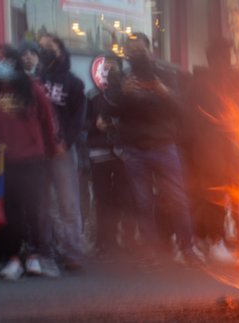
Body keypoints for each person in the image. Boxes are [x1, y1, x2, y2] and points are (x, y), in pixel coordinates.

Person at [107, 33, 204, 267]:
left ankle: (187, 248)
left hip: (164, 147)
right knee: (142, 203)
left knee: (178, 199)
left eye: (141, 50)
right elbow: (111, 109)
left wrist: (165, 93)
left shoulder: (167, 76)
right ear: (126, 54)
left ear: (150, 51)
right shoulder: (120, 79)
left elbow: (182, 109)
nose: (137, 55)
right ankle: (151, 251)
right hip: (134, 149)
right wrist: (123, 94)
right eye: (132, 51)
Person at [0, 44, 62, 279]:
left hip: (33, 160)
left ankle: (35, 256)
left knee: (34, 211)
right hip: (6, 163)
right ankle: (14, 259)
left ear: (15, 62)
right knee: (10, 213)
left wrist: (51, 151)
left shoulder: (32, 88)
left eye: (4, 59)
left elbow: (47, 120)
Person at [183, 39, 239, 264]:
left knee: (210, 197)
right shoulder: (205, 85)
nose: (229, 61)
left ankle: (199, 240)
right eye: (225, 57)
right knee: (213, 197)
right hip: (208, 152)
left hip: (217, 151)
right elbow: (196, 123)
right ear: (215, 59)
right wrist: (203, 152)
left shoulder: (221, 84)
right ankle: (213, 242)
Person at [38, 34, 87, 270]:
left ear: (60, 49)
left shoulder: (74, 83)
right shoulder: (35, 81)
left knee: (68, 204)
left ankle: (74, 253)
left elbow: (79, 119)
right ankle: (57, 250)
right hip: (38, 153)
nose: (44, 51)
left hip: (63, 152)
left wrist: (65, 143)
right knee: (48, 205)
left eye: (49, 47)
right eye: (41, 48)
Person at [85, 54, 136, 260]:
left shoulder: (129, 94)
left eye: (114, 68)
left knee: (125, 198)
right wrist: (95, 126)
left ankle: (127, 239)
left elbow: (136, 120)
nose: (109, 71)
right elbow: (83, 122)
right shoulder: (91, 95)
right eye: (106, 68)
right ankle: (104, 241)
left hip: (124, 153)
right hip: (99, 152)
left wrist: (118, 125)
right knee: (103, 199)